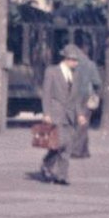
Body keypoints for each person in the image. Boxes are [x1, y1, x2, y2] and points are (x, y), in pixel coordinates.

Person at [36, 51, 84, 185]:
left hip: (70, 116)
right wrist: (46, 113)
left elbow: (76, 98)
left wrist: (80, 114)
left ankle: (61, 176)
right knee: (59, 143)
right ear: (67, 59)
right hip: (56, 114)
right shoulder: (52, 71)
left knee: (67, 146)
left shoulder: (74, 75)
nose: (76, 64)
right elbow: (46, 93)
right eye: (74, 61)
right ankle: (47, 163)